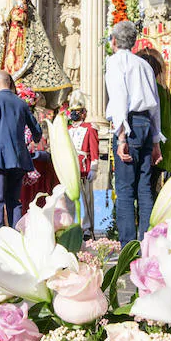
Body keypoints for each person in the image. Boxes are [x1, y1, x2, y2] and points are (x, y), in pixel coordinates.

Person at [104, 21, 162, 245]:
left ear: (115, 41)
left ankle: (128, 246)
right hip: (146, 124)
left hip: (128, 125)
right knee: (144, 188)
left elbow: (119, 98)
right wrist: (156, 141)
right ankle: (148, 242)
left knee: (126, 189)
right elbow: (154, 105)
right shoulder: (145, 65)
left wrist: (121, 137)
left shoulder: (116, 61)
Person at [0, 70, 42, 229]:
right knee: (14, 201)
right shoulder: (21, 102)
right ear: (10, 83)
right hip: (18, 160)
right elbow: (36, 129)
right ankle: (16, 234)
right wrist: (36, 139)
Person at [137, 48, 171, 188]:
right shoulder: (164, 89)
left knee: (144, 190)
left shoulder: (153, 89)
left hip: (153, 143)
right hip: (165, 144)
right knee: (151, 188)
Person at [67, 91, 100, 236]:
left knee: (85, 198)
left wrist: (94, 167)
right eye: (72, 111)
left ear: (83, 113)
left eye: (77, 111)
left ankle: (87, 227)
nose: (74, 114)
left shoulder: (90, 128)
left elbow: (94, 149)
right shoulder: (66, 129)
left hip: (84, 167)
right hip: (70, 167)